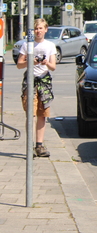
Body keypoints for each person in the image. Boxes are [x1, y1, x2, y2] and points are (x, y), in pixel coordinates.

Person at [17, 18, 57, 158]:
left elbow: (53, 66)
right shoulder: (27, 45)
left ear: (46, 29)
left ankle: (39, 145)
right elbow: (19, 64)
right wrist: (30, 62)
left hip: (44, 82)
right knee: (30, 113)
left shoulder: (50, 45)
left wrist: (46, 63)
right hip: (30, 81)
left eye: (40, 28)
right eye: (36, 28)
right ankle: (29, 146)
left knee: (42, 114)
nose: (38, 31)